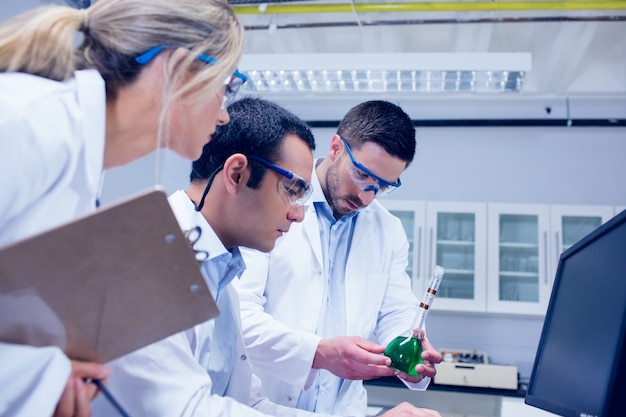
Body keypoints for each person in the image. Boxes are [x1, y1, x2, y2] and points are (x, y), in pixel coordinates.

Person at [92, 97, 441, 417]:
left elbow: (249, 404)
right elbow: (186, 409)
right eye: (291, 191)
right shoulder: (151, 258)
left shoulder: (221, 272)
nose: (299, 213)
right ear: (236, 174)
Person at [0, 0, 244, 415]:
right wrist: (44, 377)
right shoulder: (25, 124)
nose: (223, 114)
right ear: (178, 68)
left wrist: (51, 374)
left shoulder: (79, 156)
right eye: (228, 84)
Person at [233, 100, 444, 416]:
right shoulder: (275, 204)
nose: (367, 196)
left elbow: (396, 311)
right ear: (335, 148)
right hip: (263, 405)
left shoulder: (388, 230)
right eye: (361, 175)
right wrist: (318, 353)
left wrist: (408, 351)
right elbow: (239, 316)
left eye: (383, 187)